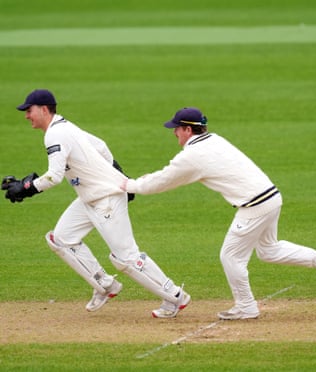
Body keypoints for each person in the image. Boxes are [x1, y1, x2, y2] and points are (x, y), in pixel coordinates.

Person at [120, 107, 316, 320]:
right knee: (268, 250)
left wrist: (130, 185)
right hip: (271, 197)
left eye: (176, 128)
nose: (174, 132)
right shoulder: (214, 139)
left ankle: (246, 307)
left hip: (255, 204)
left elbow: (161, 181)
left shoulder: (193, 155)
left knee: (231, 256)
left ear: (188, 130)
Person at [1, 89, 190, 318]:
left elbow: (54, 176)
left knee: (125, 258)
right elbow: (100, 146)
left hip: (106, 197)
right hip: (90, 196)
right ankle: (105, 285)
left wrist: (26, 188)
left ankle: (176, 296)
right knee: (60, 238)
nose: (26, 116)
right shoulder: (65, 126)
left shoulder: (55, 134)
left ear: (43, 109)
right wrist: (118, 174)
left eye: (29, 111)